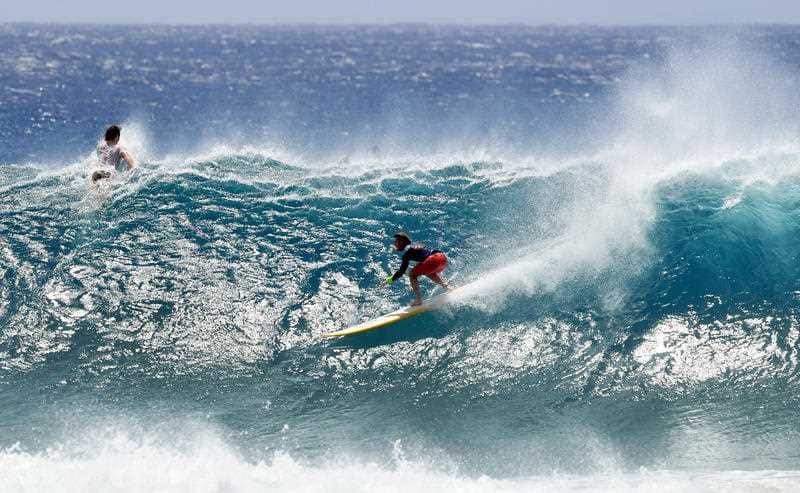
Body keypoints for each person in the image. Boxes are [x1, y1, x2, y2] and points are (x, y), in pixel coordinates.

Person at [385, 232, 450, 306]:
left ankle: (418, 299)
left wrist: (390, 280)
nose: (395, 244)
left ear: (401, 242)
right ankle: (445, 286)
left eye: (396, 242)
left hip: (433, 260)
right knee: (427, 271)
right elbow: (422, 248)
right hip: (442, 258)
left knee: (412, 274)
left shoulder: (407, 253)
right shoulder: (414, 245)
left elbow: (401, 271)